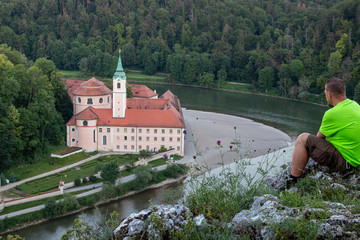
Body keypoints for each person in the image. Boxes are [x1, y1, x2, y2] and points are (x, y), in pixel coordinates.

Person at [287, 77, 360, 187]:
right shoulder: (355, 105)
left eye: (325, 92)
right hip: (355, 159)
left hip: (346, 163)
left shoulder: (332, 113)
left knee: (303, 138)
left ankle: (293, 180)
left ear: (329, 94)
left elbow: (318, 139)